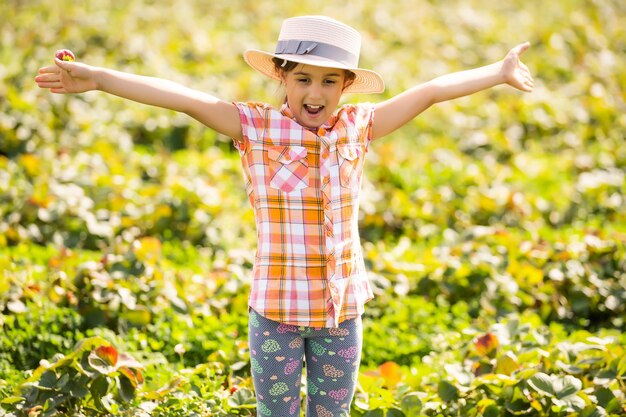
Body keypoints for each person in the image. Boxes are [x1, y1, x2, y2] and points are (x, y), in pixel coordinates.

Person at [35, 14, 533, 417]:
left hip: (341, 312)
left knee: (331, 415)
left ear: (346, 86)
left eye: (328, 81)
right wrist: (99, 79)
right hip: (275, 312)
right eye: (303, 78)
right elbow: (181, 97)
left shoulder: (359, 126)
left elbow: (429, 91)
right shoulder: (252, 126)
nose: (315, 93)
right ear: (282, 76)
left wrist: (498, 71)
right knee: (276, 414)